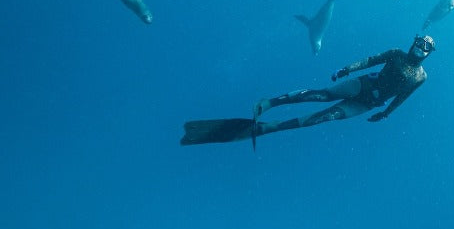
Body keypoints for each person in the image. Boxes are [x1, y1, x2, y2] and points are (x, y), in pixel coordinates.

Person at [180, 34, 436, 146]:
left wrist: (387, 113)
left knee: (322, 118)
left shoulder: (420, 78)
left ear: (428, 54)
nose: (418, 48)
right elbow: (369, 61)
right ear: (413, 42)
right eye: (418, 43)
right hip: (364, 85)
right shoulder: (395, 53)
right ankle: (269, 103)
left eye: (424, 47)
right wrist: (346, 69)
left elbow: (403, 97)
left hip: (367, 104)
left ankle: (266, 128)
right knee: (321, 95)